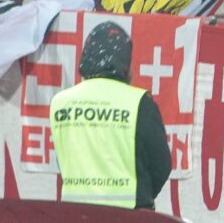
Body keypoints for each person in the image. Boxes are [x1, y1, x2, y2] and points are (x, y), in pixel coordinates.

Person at [49, 22, 172, 210]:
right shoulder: (139, 102)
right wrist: (140, 193)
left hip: (75, 213)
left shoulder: (60, 103)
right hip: (129, 214)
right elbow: (161, 165)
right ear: (123, 61)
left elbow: (64, 160)